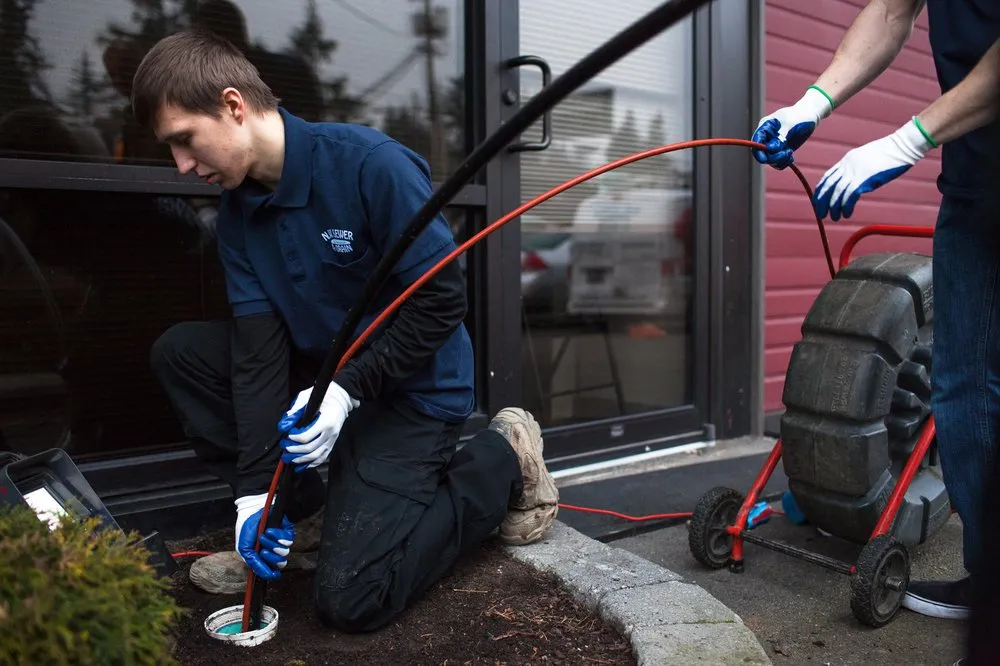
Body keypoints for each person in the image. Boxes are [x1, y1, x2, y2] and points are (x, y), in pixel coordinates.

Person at [130, 29, 559, 632]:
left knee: (354, 600)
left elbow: (440, 303)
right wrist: (256, 496)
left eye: (183, 141)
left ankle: (501, 457)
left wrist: (346, 390)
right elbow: (257, 357)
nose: (181, 165)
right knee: (183, 354)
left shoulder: (369, 166)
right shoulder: (236, 215)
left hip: (412, 391)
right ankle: (302, 512)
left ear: (232, 106)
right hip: (324, 383)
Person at [751, 0, 1000, 629]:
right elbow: (890, 10)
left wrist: (907, 139)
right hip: (976, 188)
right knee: (964, 388)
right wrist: (812, 102)